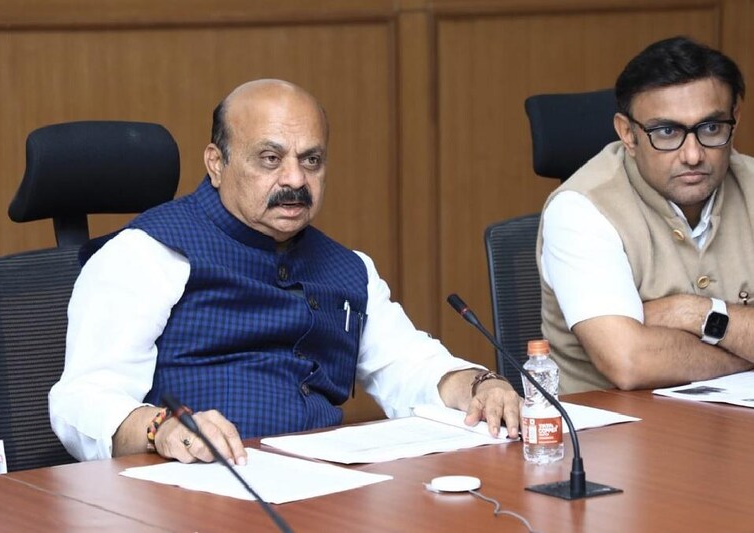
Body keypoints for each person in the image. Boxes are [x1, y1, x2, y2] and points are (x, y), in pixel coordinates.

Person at [49, 79, 521, 464]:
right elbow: (82, 399)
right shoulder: (149, 253)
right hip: (195, 491)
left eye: (310, 160)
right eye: (270, 159)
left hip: (326, 488)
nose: (295, 179)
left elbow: (407, 365)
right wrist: (162, 429)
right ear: (217, 163)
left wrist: (479, 386)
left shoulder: (349, 268)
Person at [538, 36, 754, 394]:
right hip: (616, 426)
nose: (692, 155)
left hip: (750, 422)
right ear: (628, 134)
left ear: (735, 119)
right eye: (667, 132)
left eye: (710, 128)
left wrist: (693, 313)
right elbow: (630, 362)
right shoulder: (581, 208)